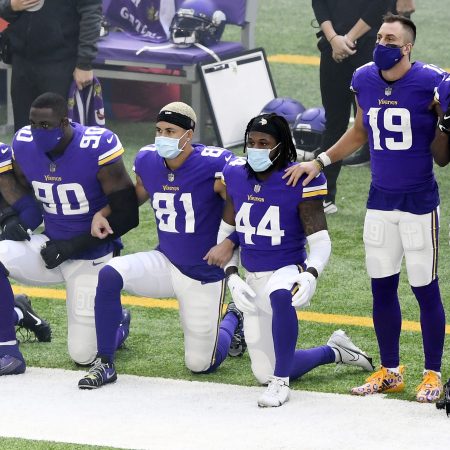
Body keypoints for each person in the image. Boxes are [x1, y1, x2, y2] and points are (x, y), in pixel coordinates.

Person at [284, 14, 447, 402]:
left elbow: (442, 155)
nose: (382, 43)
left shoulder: (432, 81)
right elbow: (360, 130)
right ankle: (390, 370)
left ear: (407, 47)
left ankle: (433, 373)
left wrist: (444, 124)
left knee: (425, 288)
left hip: (418, 201)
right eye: (381, 36)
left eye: (391, 38)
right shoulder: (364, 77)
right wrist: (320, 161)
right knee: (382, 287)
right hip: (379, 200)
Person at [205, 113, 374, 408]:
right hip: (251, 272)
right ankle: (333, 351)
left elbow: (320, 242)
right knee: (262, 372)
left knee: (280, 295)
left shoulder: (298, 179)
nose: (256, 148)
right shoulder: (234, 173)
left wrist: (310, 274)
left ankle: (281, 383)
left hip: (287, 267)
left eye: (264, 143)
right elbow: (227, 234)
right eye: (251, 142)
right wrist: (232, 275)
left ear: (280, 145)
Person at [77, 102, 246, 389]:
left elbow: (246, 208)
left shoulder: (215, 164)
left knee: (200, 364)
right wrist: (103, 213)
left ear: (189, 135)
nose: (162, 136)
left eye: (171, 130)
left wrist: (230, 243)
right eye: (159, 130)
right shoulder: (147, 159)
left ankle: (233, 317)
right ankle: (105, 362)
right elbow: (138, 194)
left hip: (203, 272)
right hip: (165, 260)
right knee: (110, 273)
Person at [0, 92, 138, 375]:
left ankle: (117, 322)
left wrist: (73, 246)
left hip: (91, 252)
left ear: (65, 122)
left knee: (84, 356)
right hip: (51, 245)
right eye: (33, 123)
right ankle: (8, 351)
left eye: (46, 125)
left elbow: (127, 215)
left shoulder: (96, 145)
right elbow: (25, 194)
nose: (37, 131)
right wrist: (14, 219)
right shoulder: (24, 143)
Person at [311, 0, 395, 214]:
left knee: (380, 122)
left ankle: (391, 196)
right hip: (332, 50)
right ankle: (324, 195)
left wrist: (347, 39)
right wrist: (333, 39)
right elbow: (319, 3)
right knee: (334, 122)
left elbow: (380, 6)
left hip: (373, 48)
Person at [0, 0, 102, 131]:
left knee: (57, 131)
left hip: (60, 62)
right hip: (21, 60)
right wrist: (10, 6)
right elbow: (4, 9)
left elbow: (91, 13)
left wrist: (84, 63)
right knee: (24, 131)